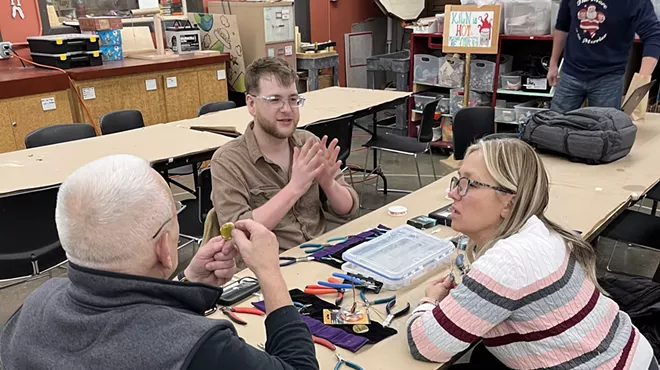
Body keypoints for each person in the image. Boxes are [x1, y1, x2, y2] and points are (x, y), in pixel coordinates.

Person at [0, 155, 318, 370]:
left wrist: (186, 287)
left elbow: (131, 318)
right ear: (166, 249)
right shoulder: (201, 347)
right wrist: (269, 273)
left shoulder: (33, 306)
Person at [406, 139, 659, 369]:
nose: (452, 194)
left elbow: (425, 345)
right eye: (456, 181)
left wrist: (429, 301)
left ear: (509, 202)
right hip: (631, 357)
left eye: (468, 184)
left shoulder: (508, 262)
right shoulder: (538, 230)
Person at [210, 57, 359, 251]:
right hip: (270, 267)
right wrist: (295, 187)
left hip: (321, 253)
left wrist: (329, 184)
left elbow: (349, 210)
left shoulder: (308, 143)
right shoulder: (228, 162)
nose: (287, 109)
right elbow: (237, 235)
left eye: (293, 99)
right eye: (275, 100)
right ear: (251, 104)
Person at [548, 0, 660, 113]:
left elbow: (653, 36)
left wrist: (641, 80)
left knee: (603, 127)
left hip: (609, 79)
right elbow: (562, 26)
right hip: (570, 73)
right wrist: (553, 64)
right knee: (554, 125)